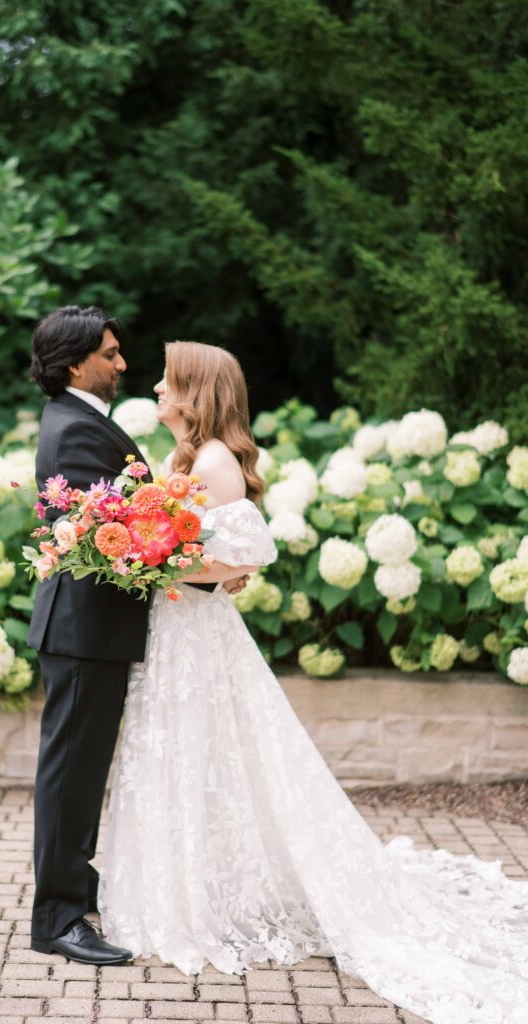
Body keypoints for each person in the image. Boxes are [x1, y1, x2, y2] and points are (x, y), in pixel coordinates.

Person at [98, 340, 528, 1024]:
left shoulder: (211, 461)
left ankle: (199, 901)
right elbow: (208, 552)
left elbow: (242, 552)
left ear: (193, 392)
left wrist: (148, 568)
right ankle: (183, 888)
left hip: (194, 636)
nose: (152, 387)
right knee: (185, 753)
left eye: (165, 380)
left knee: (202, 752)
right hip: (178, 632)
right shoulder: (189, 457)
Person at [26, 308, 247, 967]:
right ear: (75, 364)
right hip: (83, 630)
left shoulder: (85, 423)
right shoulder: (75, 432)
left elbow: (137, 534)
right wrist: (209, 571)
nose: (123, 366)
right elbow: (120, 540)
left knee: (84, 769)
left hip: (96, 629)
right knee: (69, 774)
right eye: (112, 354)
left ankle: (75, 891)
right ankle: (57, 919)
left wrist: (205, 567)